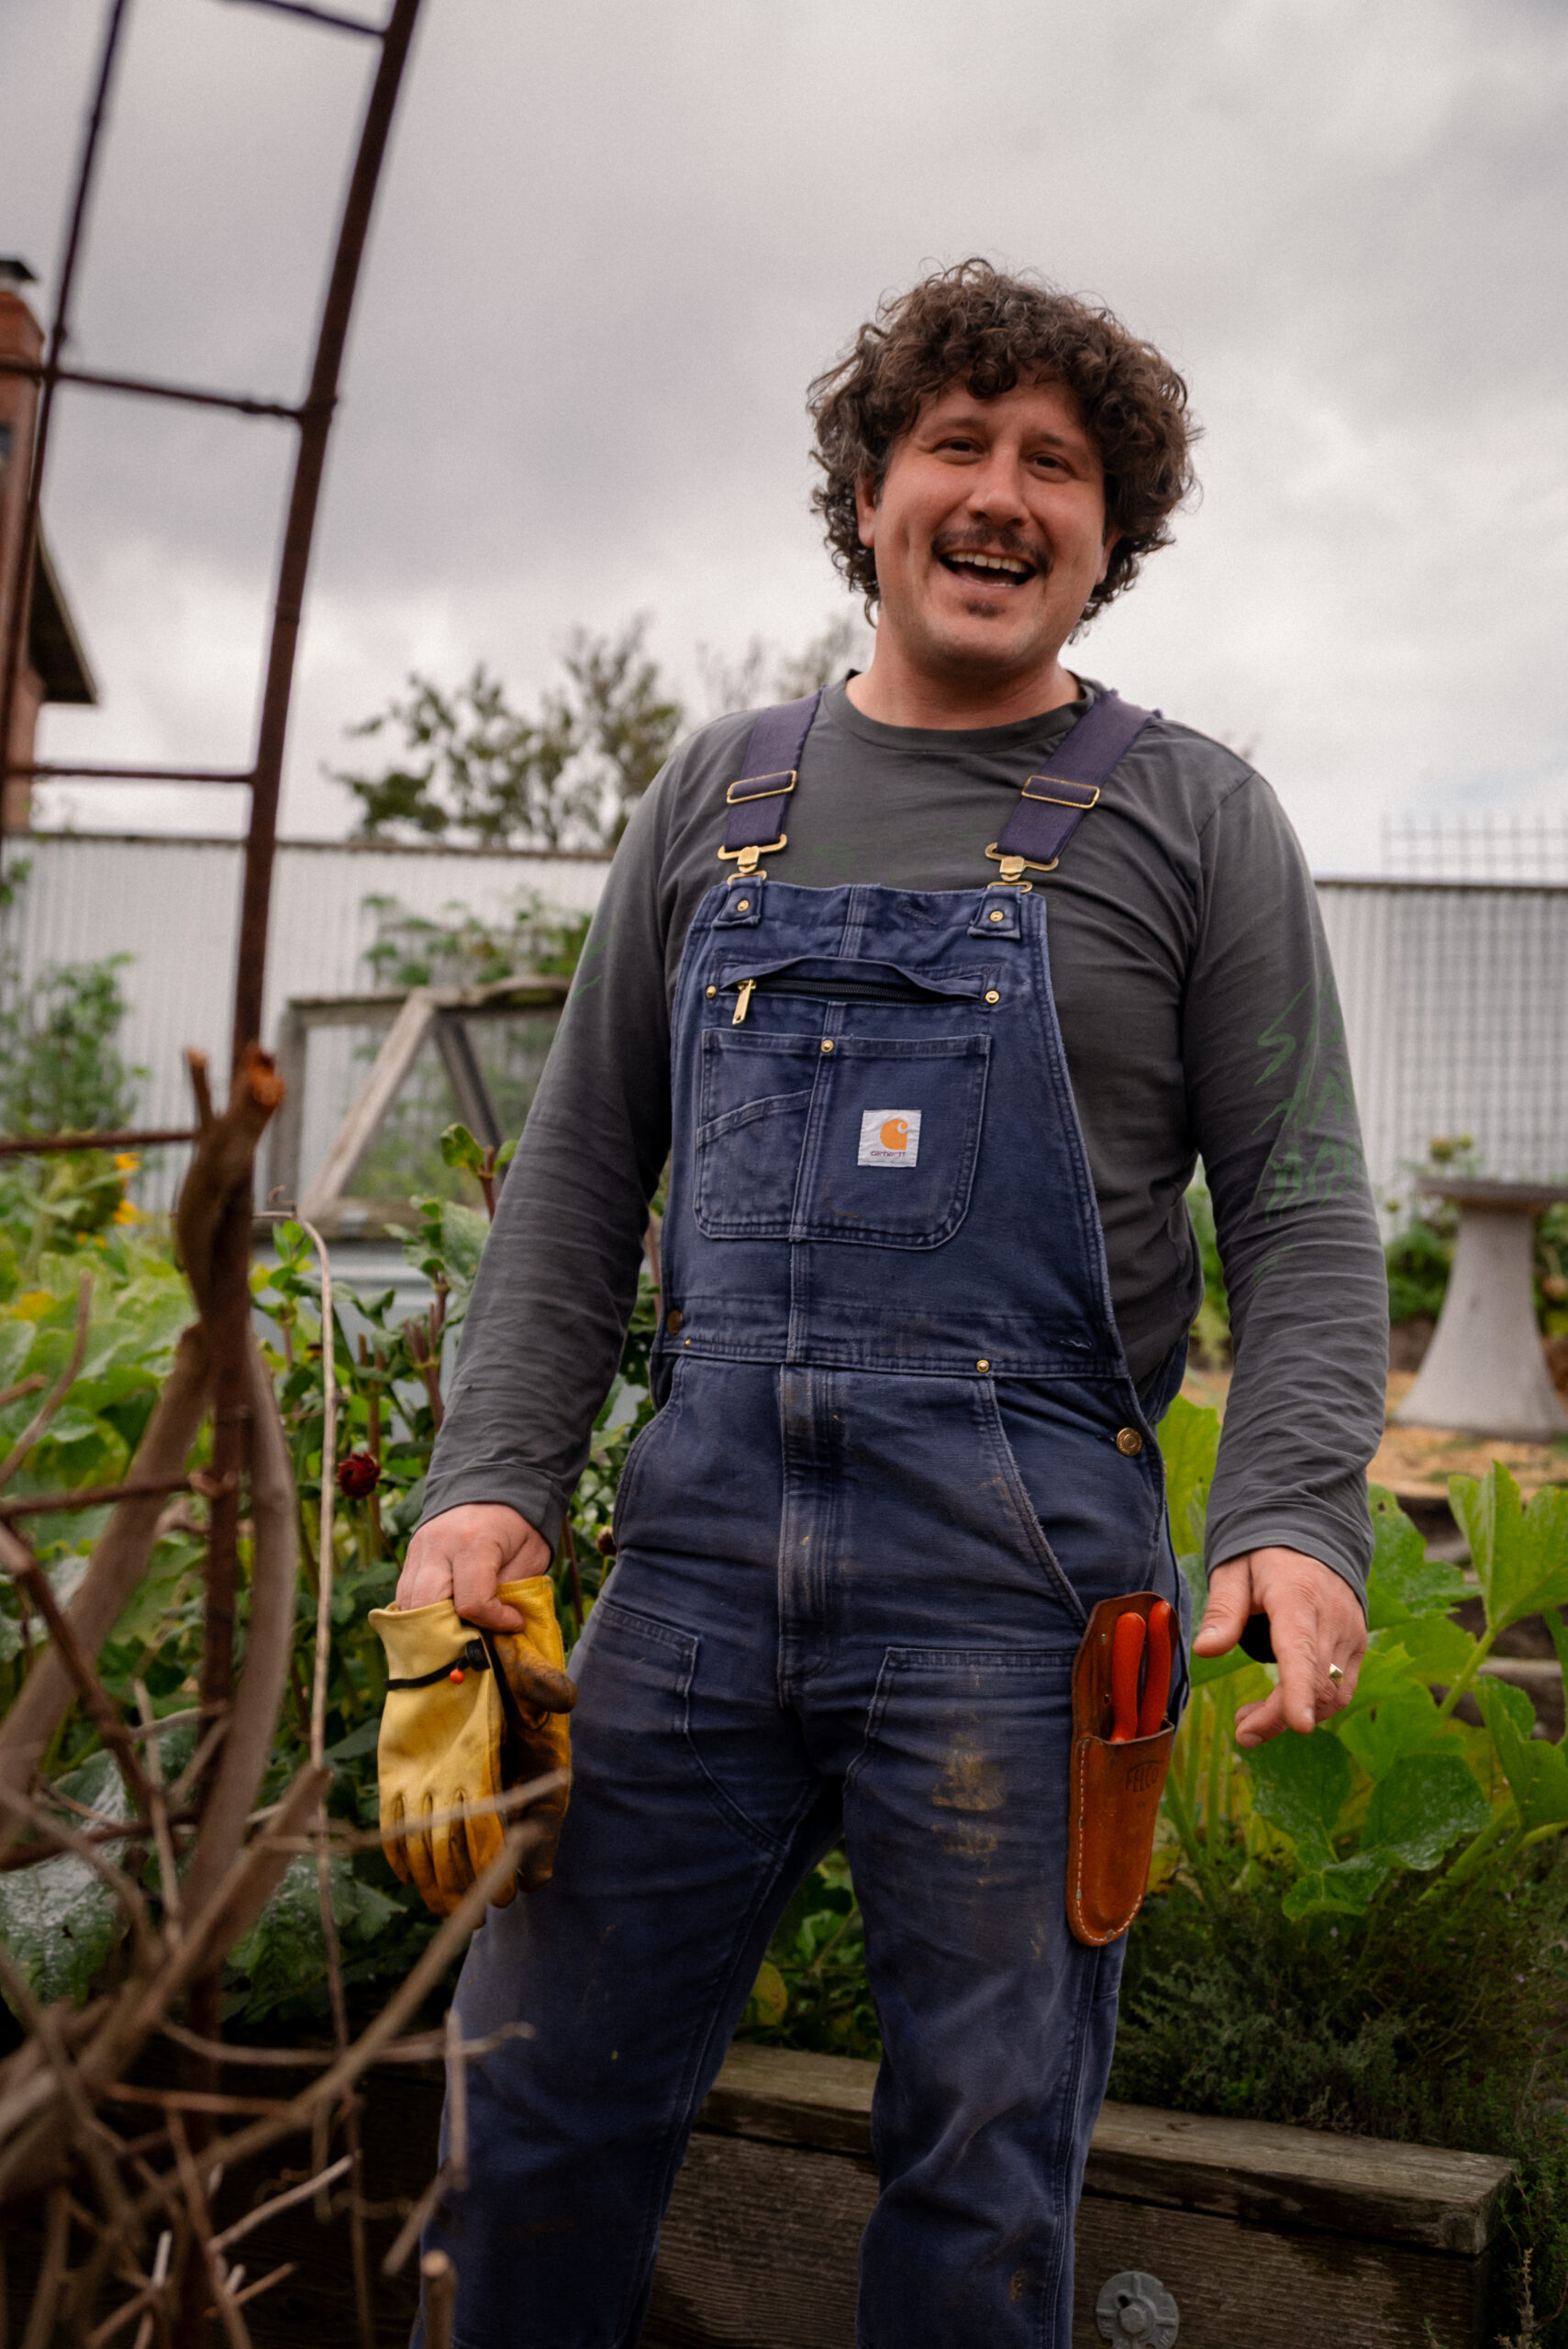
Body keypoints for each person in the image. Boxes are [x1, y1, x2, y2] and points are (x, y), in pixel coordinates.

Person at [385, 260, 1387, 2349]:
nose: (1005, 492)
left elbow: (1300, 1208)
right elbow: (578, 1177)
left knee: (979, 2175)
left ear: (1111, 541)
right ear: (870, 491)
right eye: (960, 443)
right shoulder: (714, 799)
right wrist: (489, 1478)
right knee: (526, 2111)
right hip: (691, 1563)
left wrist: (1291, 1514)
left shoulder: (1194, 815)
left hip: (1022, 1591)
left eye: (1062, 464)